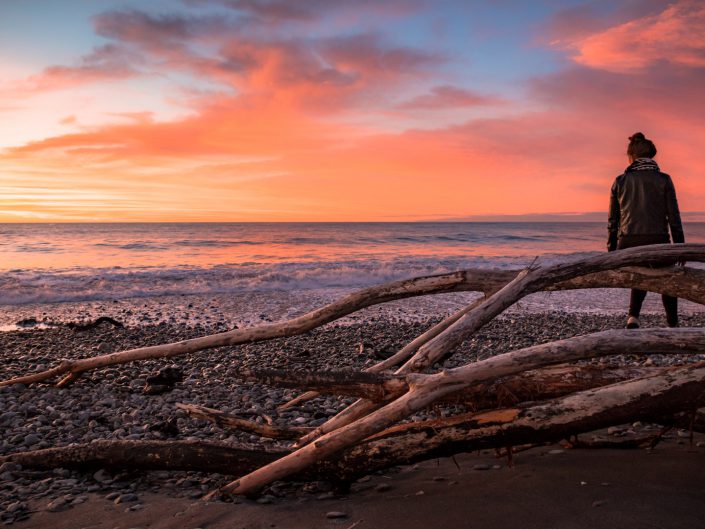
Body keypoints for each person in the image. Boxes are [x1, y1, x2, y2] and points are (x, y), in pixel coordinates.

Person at [607, 132, 685, 329]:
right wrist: (680, 246)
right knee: (667, 276)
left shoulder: (620, 181)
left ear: (631, 157)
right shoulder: (664, 180)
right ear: (652, 156)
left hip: (629, 242)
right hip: (658, 239)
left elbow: (613, 221)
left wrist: (612, 250)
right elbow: (673, 217)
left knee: (640, 275)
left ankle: (633, 316)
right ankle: (672, 323)